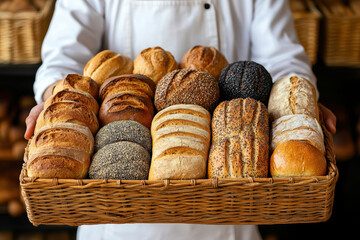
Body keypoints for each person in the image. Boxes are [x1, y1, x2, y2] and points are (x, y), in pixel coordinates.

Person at [24, 1, 337, 239]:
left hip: (232, 197)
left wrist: (299, 105)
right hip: (116, 216)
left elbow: (283, 57)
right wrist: (54, 100)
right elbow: (64, 56)